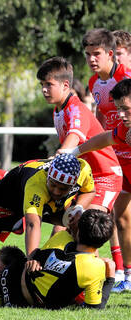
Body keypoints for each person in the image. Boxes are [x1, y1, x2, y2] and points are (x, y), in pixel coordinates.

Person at [36, 56, 123, 279]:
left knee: (86, 227)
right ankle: (59, 274)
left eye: (49, 84)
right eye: (42, 85)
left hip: (105, 177)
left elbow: (74, 137)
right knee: (62, 226)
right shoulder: (58, 110)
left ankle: (106, 275)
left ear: (65, 85)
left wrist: (59, 156)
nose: (44, 90)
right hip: (86, 180)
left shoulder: (75, 108)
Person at [60, 78, 131, 292]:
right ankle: (126, 275)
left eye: (126, 109)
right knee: (121, 219)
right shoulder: (124, 129)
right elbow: (105, 139)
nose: (121, 115)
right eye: (119, 109)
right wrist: (75, 152)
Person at [0, 153, 95, 257]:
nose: (56, 191)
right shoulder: (36, 184)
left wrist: (78, 208)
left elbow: (90, 191)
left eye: (63, 188)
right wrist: (32, 259)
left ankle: (80, 261)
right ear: (48, 176)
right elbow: (33, 224)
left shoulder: (84, 169)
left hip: (44, 202)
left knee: (78, 220)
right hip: (7, 200)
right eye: (53, 185)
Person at [82, 28, 131, 289]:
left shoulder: (127, 78)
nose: (91, 59)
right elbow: (102, 122)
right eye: (87, 54)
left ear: (110, 54)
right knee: (115, 216)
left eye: (96, 54)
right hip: (115, 154)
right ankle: (123, 272)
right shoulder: (93, 83)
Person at [0, 209, 115, 309]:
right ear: (103, 242)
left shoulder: (61, 236)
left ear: (78, 230)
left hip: (12, 279)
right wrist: (110, 279)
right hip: (29, 301)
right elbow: (94, 307)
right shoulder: (94, 266)